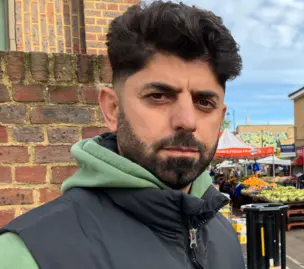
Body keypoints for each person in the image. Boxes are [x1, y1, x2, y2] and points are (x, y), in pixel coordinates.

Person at [0, 1, 244, 269]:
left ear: (220, 118)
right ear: (113, 109)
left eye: (204, 102)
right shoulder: (29, 254)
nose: (186, 121)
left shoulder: (223, 235)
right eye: (158, 96)